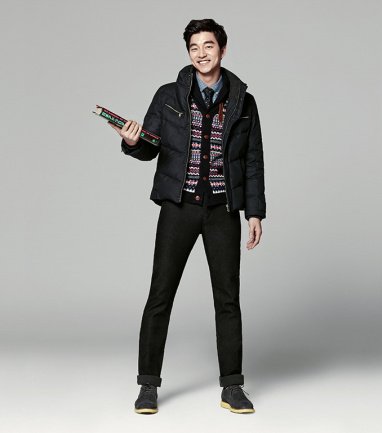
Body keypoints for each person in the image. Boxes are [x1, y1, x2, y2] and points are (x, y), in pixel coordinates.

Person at [109, 18, 266, 414]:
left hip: (223, 210)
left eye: (208, 45)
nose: (201, 53)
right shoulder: (168, 96)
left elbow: (252, 161)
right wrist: (132, 142)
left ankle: (232, 387)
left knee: (228, 299)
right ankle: (148, 386)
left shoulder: (244, 102)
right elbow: (150, 148)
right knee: (160, 295)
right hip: (178, 208)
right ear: (188, 53)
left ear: (222, 49)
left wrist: (254, 212)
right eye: (194, 47)